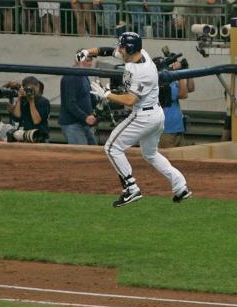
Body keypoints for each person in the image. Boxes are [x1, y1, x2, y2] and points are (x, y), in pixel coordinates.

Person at [87, 32, 192, 207]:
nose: (119, 49)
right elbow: (109, 51)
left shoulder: (142, 71)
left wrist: (107, 94)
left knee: (112, 147)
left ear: (129, 48)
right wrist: (88, 52)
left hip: (144, 115)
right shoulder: (138, 54)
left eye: (122, 46)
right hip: (155, 114)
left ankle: (131, 188)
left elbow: (130, 100)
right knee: (150, 154)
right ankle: (180, 186)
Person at [60, 50, 99, 145]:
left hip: (82, 122)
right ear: (79, 60)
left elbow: (88, 96)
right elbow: (70, 103)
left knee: (91, 150)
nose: (90, 64)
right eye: (87, 60)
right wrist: (85, 117)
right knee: (82, 153)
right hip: (73, 124)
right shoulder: (72, 76)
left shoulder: (83, 75)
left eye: (91, 61)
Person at [10, 76, 51, 142]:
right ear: (23, 89)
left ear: (38, 87)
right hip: (24, 136)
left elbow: (36, 121)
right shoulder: (23, 100)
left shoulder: (43, 102)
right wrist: (19, 99)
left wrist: (31, 101)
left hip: (39, 137)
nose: (31, 91)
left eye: (33, 88)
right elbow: (17, 117)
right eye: (28, 89)